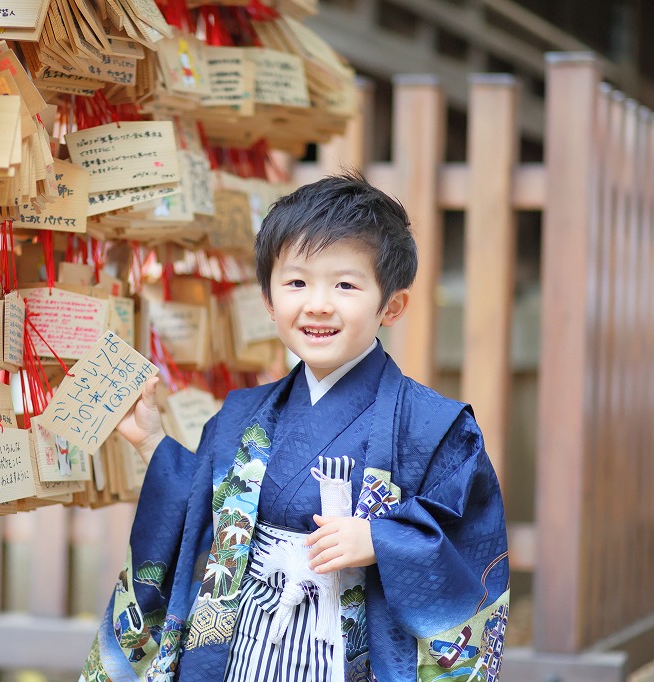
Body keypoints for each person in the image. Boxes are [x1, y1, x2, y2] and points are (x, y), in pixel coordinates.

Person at [81, 172, 509, 682]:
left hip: (344, 649)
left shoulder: (435, 427)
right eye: (297, 282)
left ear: (391, 305)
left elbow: (468, 542)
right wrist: (151, 441)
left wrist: (384, 541)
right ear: (269, 300)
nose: (318, 304)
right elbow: (200, 507)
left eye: (346, 284)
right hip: (246, 638)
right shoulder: (241, 415)